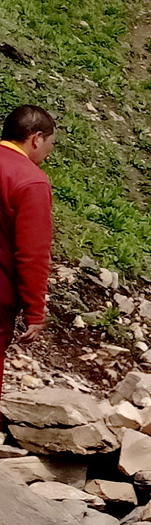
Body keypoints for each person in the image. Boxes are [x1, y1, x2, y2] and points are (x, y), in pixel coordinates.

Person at [0, 105, 54, 395]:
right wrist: (35, 312)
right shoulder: (30, 181)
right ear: (36, 139)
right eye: (50, 144)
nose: (48, 152)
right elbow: (31, 253)